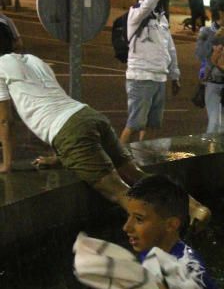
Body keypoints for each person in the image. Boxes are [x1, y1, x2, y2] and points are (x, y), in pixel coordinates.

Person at [0, 44, 210, 223]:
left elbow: (5, 121)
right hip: (88, 115)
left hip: (69, 133)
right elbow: (52, 102)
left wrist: (7, 164)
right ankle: (195, 209)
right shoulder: (33, 61)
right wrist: (60, 157)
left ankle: (167, 236)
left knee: (120, 192)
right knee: (137, 176)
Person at [122, 0, 181, 144]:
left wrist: (174, 74)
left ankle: (145, 159)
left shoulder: (160, 18)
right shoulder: (136, 13)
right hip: (141, 77)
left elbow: (169, 47)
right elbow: (149, 3)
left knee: (152, 125)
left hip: (159, 77)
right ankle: (118, 162)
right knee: (134, 124)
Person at [195, 2, 224, 133]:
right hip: (214, 83)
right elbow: (200, 55)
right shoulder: (206, 32)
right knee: (215, 123)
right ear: (221, 13)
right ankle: (211, 150)